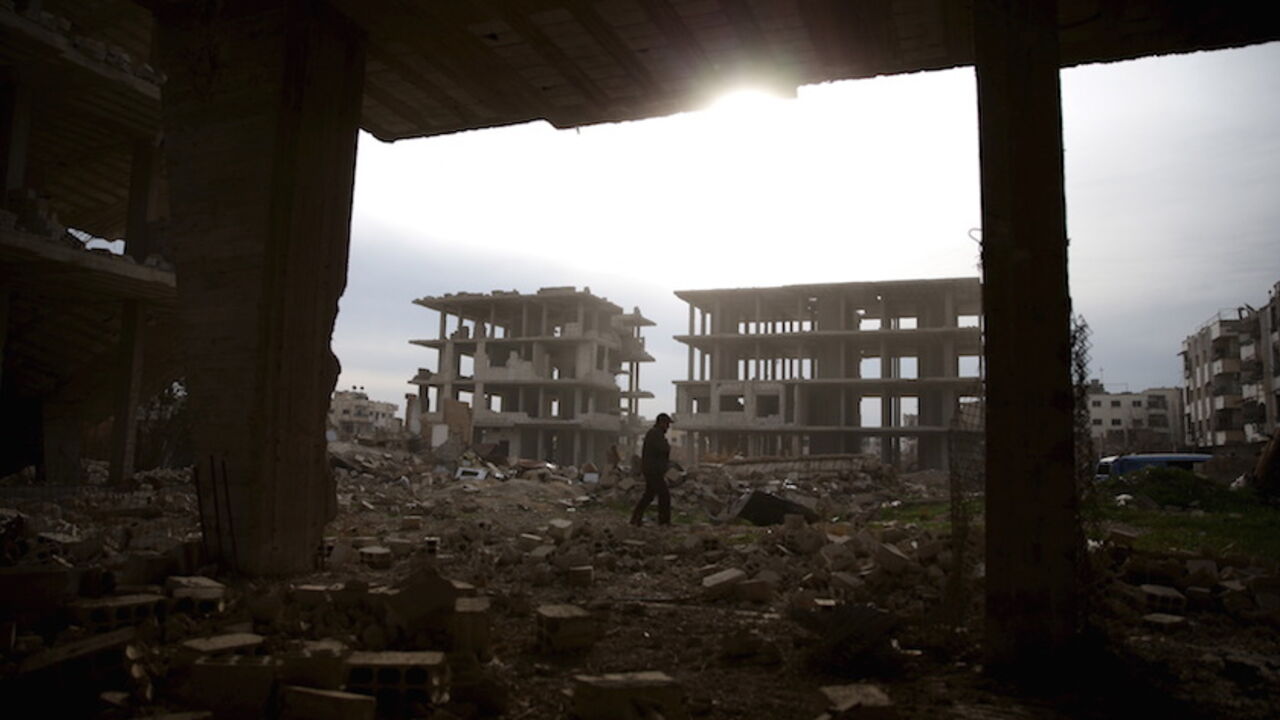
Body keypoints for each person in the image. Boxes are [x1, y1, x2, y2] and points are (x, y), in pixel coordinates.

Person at [630, 413, 673, 526]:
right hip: (653, 471)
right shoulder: (655, 434)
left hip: (652, 470)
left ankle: (636, 519)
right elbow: (663, 449)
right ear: (661, 423)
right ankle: (664, 522)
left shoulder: (655, 433)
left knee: (649, 495)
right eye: (667, 424)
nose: (668, 427)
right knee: (664, 495)